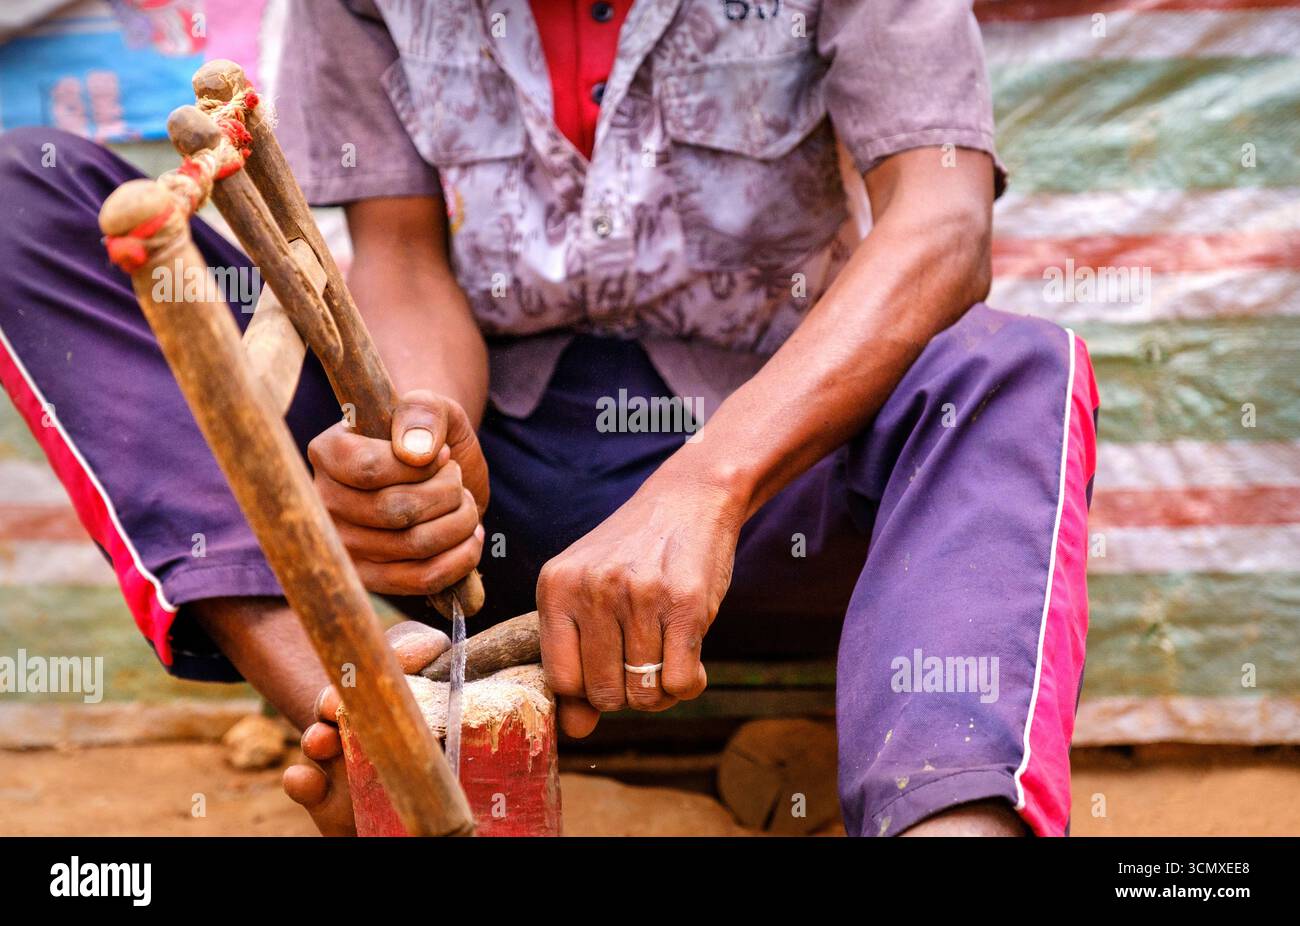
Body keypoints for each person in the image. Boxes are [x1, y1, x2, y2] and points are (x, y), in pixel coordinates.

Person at [0, 0, 1098, 836]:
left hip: (777, 494)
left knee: (1012, 366)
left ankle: (949, 821)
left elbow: (942, 224)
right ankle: (375, 719)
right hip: (498, 515)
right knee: (24, 195)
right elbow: (400, 255)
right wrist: (417, 440)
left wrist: (703, 487)